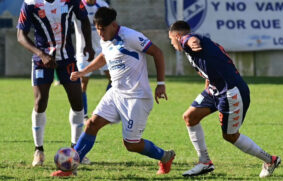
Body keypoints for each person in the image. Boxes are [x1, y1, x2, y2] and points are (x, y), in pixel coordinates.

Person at [51, 7, 175, 177]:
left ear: (114, 25)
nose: (100, 34)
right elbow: (104, 56)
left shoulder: (131, 36)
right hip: (116, 93)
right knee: (91, 124)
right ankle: (70, 168)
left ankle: (165, 156)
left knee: (131, 144)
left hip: (137, 97)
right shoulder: (105, 39)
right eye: (98, 29)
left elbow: (157, 52)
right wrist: (83, 72)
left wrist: (160, 83)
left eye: (102, 29)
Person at [168, 21, 281, 178]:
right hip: (214, 89)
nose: (172, 44)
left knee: (230, 136)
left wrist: (191, 42)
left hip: (231, 92)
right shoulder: (202, 43)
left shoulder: (187, 39)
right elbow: (211, 65)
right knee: (190, 117)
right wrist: (208, 85)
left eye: (171, 40)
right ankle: (204, 162)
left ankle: (271, 160)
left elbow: (190, 39)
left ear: (177, 36)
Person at [17, 0, 95, 166]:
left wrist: (88, 44)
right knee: (40, 102)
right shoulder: (31, 3)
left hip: (67, 59)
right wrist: (41, 54)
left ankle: (76, 151)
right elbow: (20, 35)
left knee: (77, 102)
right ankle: (39, 150)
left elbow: (84, 19)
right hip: (41, 59)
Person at [73, 0, 112, 121]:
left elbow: (111, 27)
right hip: (83, 50)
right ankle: (83, 115)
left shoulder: (103, 5)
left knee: (114, 79)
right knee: (83, 83)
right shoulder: (77, 5)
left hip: (103, 49)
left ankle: (105, 110)